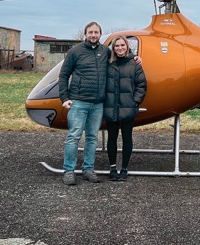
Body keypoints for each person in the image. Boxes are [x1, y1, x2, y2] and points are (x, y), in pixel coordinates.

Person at [58, 22, 141, 186]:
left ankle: (88, 169)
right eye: (91, 32)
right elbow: (63, 75)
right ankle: (68, 171)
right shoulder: (75, 51)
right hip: (79, 101)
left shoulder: (105, 51)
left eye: (96, 32)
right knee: (74, 137)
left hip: (98, 104)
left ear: (100, 34)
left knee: (92, 138)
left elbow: (121, 55)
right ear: (86, 34)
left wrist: (135, 57)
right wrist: (64, 97)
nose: (93, 35)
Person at [104, 35, 147, 181]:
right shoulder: (107, 64)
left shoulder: (134, 64)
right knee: (112, 138)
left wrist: (134, 102)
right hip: (111, 108)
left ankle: (124, 168)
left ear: (127, 46)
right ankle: (112, 168)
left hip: (128, 108)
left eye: (122, 45)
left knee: (127, 138)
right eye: (117, 46)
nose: (120, 48)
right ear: (113, 48)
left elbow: (142, 85)